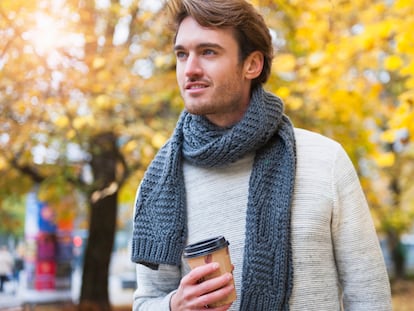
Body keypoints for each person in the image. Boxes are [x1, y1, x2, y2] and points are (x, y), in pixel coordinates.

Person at [130, 0, 392, 310]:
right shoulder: (162, 182)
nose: (190, 69)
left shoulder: (325, 161)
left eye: (209, 52)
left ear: (251, 65)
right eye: (182, 54)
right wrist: (174, 305)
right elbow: (146, 301)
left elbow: (369, 297)